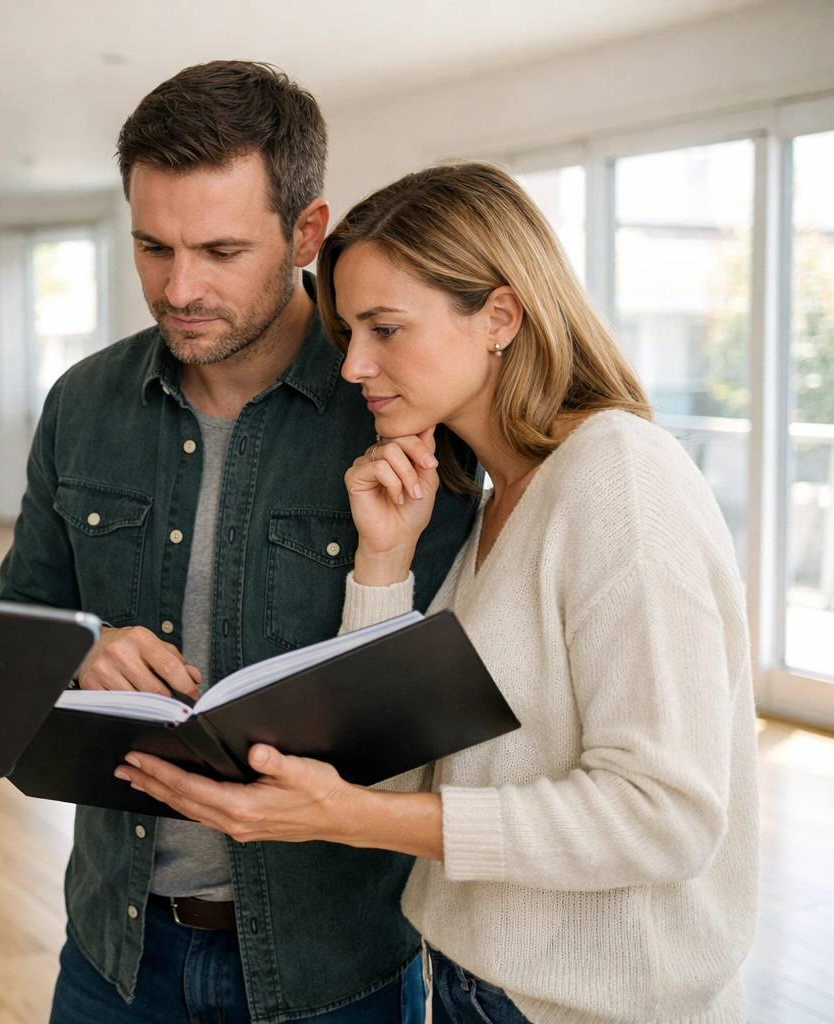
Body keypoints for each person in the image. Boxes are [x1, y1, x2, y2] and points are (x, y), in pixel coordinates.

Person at [116, 162, 760, 1024]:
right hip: (471, 987)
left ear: (500, 317)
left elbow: (664, 817)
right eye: (348, 331)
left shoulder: (621, 480)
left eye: (385, 329)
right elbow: (397, 775)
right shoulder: (501, 503)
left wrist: (346, 819)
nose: (354, 366)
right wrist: (384, 562)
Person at [0, 62, 482, 1024]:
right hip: (115, 951)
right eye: (152, 247)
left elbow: (439, 714)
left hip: (334, 966)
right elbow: (20, 618)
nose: (179, 288)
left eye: (221, 250)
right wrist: (80, 647)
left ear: (307, 232)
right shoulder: (82, 404)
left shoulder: (399, 411)